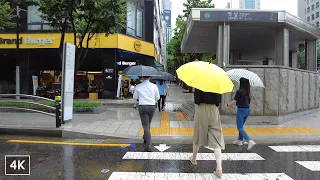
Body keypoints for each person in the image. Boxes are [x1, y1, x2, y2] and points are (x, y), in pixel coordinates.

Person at [190, 88, 225, 177]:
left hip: (201, 110)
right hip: (213, 110)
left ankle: (193, 159)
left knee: (198, 135)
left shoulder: (199, 84)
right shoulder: (216, 84)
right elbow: (218, 101)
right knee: (216, 138)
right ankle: (219, 168)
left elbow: (196, 100)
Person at [225, 77, 256, 150]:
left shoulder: (239, 91)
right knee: (241, 126)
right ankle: (240, 140)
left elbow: (235, 101)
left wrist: (227, 105)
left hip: (241, 110)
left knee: (240, 127)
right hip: (247, 110)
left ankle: (249, 141)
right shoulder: (248, 92)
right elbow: (248, 102)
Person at [133, 76, 160, 152]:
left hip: (142, 106)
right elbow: (157, 97)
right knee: (148, 124)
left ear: (142, 77)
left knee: (145, 125)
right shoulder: (154, 86)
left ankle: (148, 144)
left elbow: (135, 97)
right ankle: (146, 139)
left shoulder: (138, 86)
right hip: (151, 106)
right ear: (150, 77)